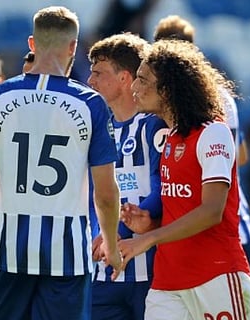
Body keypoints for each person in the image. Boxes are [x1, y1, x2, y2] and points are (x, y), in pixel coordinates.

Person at [0, 6, 122, 320]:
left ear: (32, 44)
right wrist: (111, 245)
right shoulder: (90, 104)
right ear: (73, 47)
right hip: (66, 255)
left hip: (8, 249)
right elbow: (106, 194)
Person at [118, 39, 250, 319]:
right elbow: (182, 208)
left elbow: (212, 211)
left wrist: (150, 238)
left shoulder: (213, 133)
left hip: (216, 273)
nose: (134, 87)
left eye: (143, 80)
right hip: (168, 281)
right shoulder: (170, 138)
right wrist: (150, 223)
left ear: (167, 90)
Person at [153, 14, 250, 262]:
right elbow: (240, 156)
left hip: (209, 231)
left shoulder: (172, 101)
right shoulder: (221, 94)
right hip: (233, 224)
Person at [87, 32, 168, 320]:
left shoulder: (154, 126)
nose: (90, 81)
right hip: (104, 274)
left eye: (98, 72)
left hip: (152, 270)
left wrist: (122, 228)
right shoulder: (96, 129)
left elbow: (165, 185)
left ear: (124, 78)